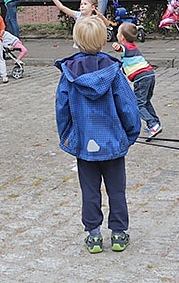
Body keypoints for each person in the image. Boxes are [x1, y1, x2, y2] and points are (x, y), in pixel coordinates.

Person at [55, 16, 141, 254]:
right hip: (112, 142)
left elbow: (61, 108)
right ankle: (118, 233)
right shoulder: (113, 71)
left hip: (84, 142)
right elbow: (128, 105)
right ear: (104, 40)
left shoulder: (69, 73)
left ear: (76, 41)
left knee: (89, 190)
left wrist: (67, 136)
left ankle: (93, 236)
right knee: (116, 190)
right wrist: (130, 134)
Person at [112, 22, 161, 139]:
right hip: (149, 74)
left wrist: (117, 47)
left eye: (118, 32)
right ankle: (155, 122)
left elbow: (121, 48)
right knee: (145, 101)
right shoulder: (133, 46)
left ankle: (153, 124)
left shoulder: (125, 46)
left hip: (141, 77)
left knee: (137, 104)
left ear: (122, 37)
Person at [42, 0, 113, 27]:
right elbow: (62, 8)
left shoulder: (95, 18)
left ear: (92, 7)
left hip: (93, 46)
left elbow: (107, 25)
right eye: (81, 4)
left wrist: (102, 17)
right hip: (81, 46)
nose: (82, 6)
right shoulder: (77, 15)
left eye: (85, 4)